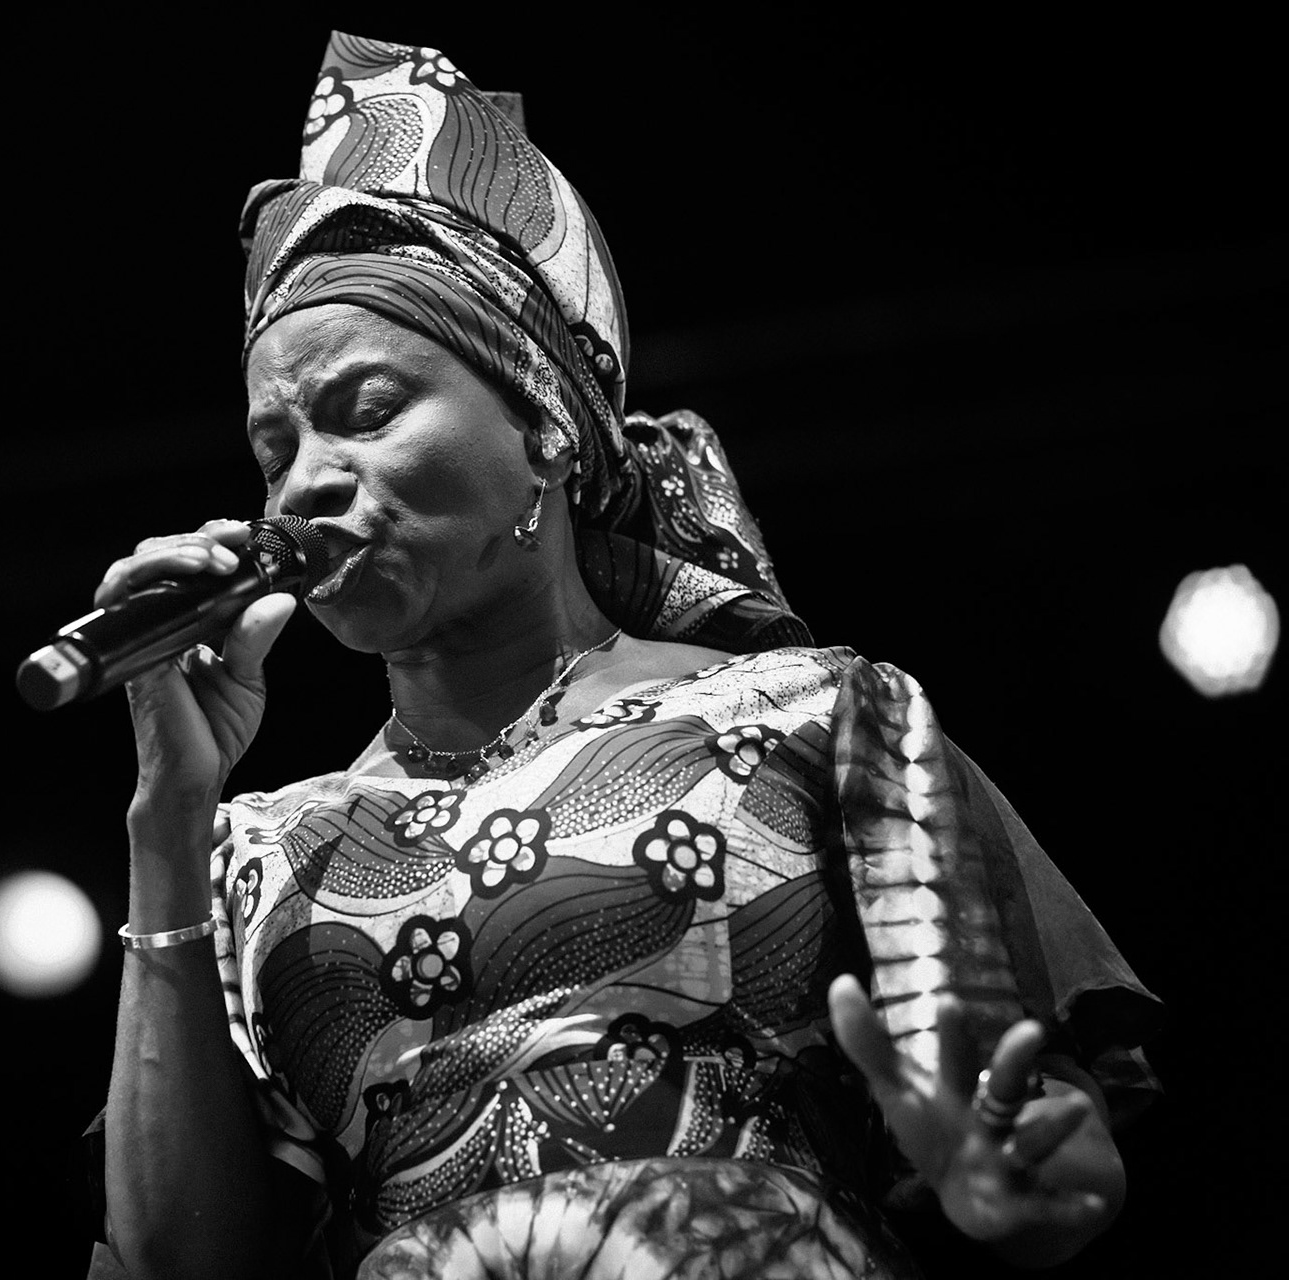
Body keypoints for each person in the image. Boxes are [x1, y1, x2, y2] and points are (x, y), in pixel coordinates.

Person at [84, 32, 1160, 1280]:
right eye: (277, 450)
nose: (310, 479)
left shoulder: (816, 716)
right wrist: (168, 820)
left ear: (544, 420)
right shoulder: (258, 852)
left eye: (368, 412)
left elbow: (1055, 1142)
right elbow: (172, 1261)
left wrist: (1018, 1179)